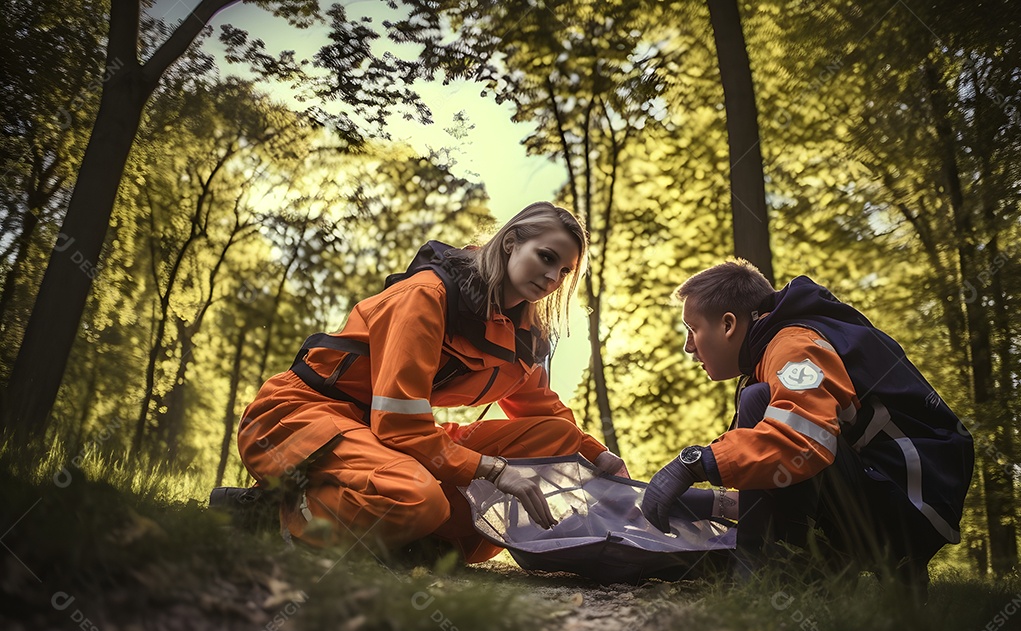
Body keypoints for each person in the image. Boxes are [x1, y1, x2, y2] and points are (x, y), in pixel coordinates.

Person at [237, 201, 626, 563]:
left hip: (379, 434)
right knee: (418, 499)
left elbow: (543, 410)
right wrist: (492, 470)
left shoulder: (522, 332)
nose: (552, 277)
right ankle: (270, 517)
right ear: (510, 243)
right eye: (546, 257)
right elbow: (400, 424)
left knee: (550, 448)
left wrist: (599, 456)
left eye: (564, 272)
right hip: (301, 418)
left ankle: (411, 539)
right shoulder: (427, 296)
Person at [641, 259, 974, 597]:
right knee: (761, 408)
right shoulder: (785, 344)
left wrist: (695, 462)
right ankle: (820, 571)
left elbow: (802, 441)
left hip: (907, 508)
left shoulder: (793, 345)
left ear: (728, 324)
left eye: (692, 328)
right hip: (900, 500)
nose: (688, 345)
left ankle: (771, 579)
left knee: (759, 401)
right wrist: (713, 503)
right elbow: (781, 479)